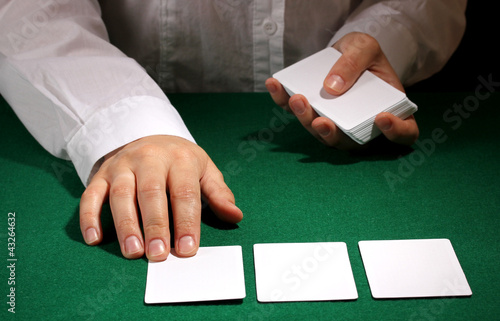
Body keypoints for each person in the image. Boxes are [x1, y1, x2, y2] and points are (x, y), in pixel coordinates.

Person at [0, 0, 467, 261]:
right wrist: (126, 125)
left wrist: (381, 40)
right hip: (131, 93)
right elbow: (28, 14)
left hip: (334, 95)